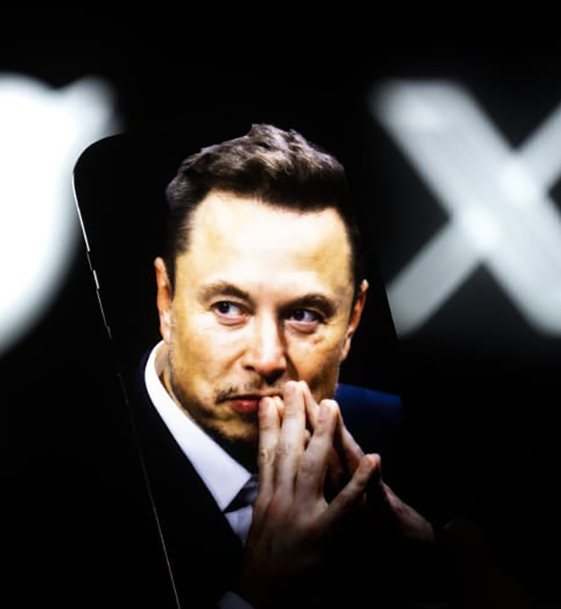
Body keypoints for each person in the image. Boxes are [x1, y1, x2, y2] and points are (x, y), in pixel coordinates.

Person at [132, 124, 450, 608]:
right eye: (227, 308)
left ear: (352, 321)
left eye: (303, 314)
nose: (266, 359)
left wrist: (440, 567)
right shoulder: (58, 469)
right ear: (166, 300)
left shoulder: (403, 435)